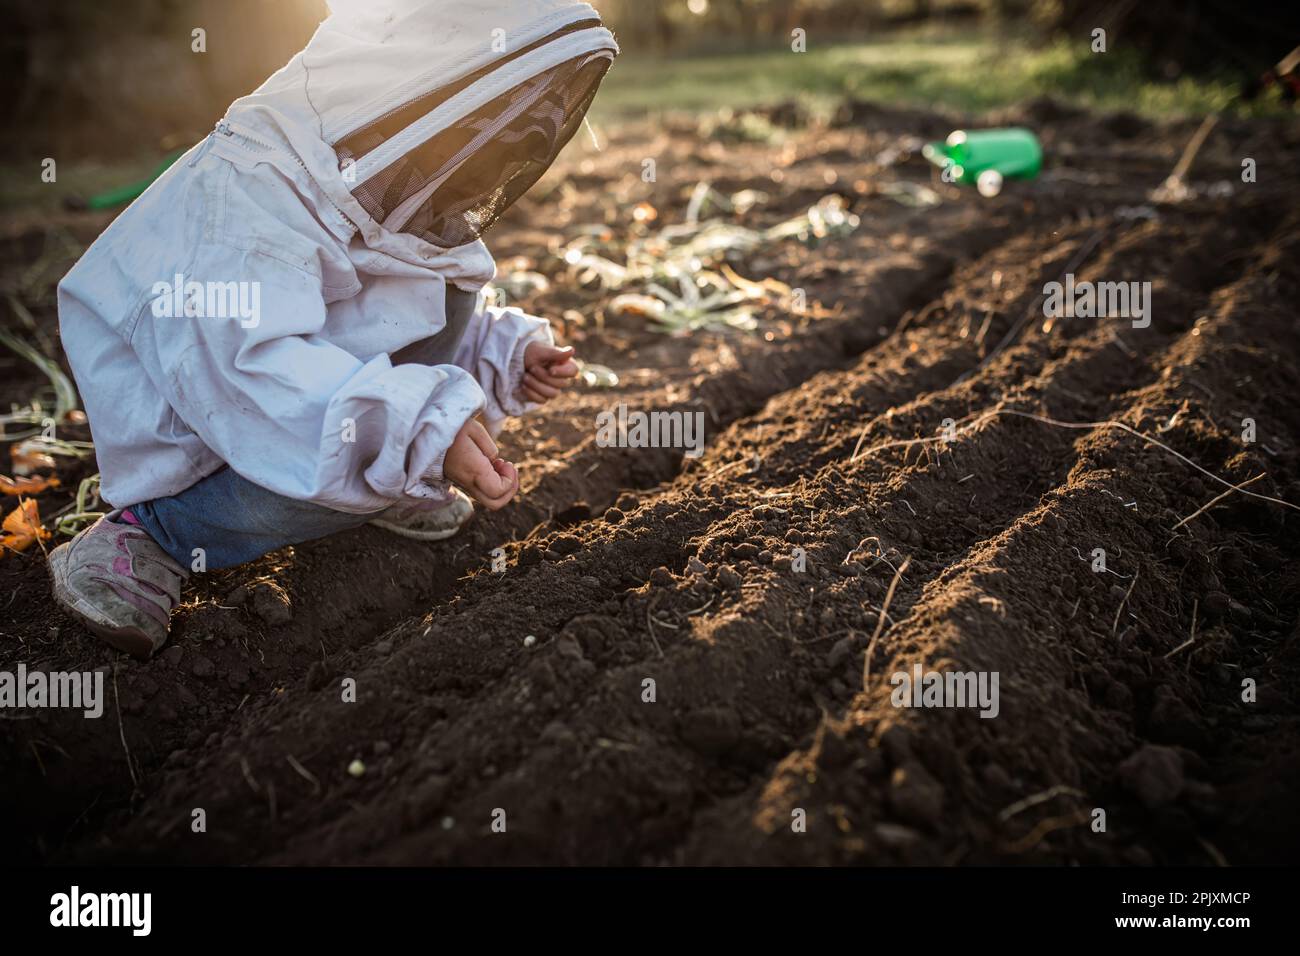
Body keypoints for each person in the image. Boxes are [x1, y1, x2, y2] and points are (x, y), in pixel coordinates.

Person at [48, 0, 618, 657]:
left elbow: (399, 307)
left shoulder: (375, 189)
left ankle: (383, 479)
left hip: (286, 384)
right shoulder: (254, 199)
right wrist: (422, 431)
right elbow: (258, 377)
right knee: (333, 460)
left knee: (450, 284)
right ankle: (150, 533)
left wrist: (503, 351)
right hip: (205, 418)